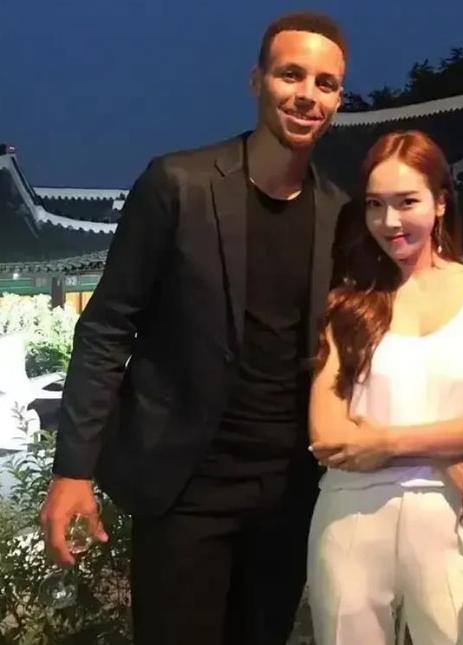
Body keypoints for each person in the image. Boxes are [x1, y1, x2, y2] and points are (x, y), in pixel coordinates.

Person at [39, 12, 348, 645]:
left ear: (338, 100)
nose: (307, 95)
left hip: (289, 492)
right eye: (291, 75)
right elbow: (107, 328)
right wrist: (73, 469)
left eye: (326, 83)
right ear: (257, 80)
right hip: (185, 488)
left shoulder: (338, 211)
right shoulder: (178, 184)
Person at [307, 130, 463, 645]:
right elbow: (328, 435)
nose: (390, 221)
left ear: (440, 202)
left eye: (407, 202)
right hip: (350, 516)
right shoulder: (348, 305)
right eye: (375, 205)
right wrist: (443, 453)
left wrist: (385, 441)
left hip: (452, 519)